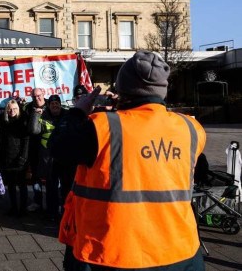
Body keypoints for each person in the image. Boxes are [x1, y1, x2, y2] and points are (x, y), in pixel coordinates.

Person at [53, 51, 206, 270]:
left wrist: (77, 112)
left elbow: (58, 147)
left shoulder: (102, 127)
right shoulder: (191, 128)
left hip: (112, 253)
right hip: (181, 250)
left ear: (122, 89)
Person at [28, 94, 66, 220]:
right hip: (48, 158)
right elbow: (34, 130)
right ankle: (52, 213)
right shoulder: (43, 115)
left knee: (66, 187)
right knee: (51, 187)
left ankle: (66, 212)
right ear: (48, 105)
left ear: (60, 104)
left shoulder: (67, 115)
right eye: (52, 104)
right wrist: (36, 114)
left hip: (64, 158)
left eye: (57, 103)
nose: (55, 105)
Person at [0, 99, 30, 216]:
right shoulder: (2, 121)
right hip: (7, 157)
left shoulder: (23, 120)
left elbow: (26, 140)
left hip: (20, 157)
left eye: (15, 109)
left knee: (22, 185)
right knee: (10, 185)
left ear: (19, 109)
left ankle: (23, 209)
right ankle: (14, 207)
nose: (12, 111)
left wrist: (23, 157)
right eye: (10, 109)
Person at [23, 87, 47, 211]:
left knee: (52, 176)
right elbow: (28, 128)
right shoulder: (28, 108)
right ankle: (37, 202)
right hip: (34, 146)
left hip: (48, 148)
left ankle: (53, 202)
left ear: (44, 94)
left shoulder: (50, 106)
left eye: (39, 96)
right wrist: (35, 115)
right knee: (35, 175)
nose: (37, 98)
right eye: (34, 97)